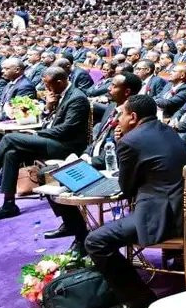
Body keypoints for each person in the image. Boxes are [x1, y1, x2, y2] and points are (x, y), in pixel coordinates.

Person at [84, 94, 186, 308]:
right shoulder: (167, 129)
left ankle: (137, 297)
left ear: (133, 117)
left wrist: (121, 143)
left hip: (164, 215)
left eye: (121, 114)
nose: (118, 119)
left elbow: (127, 189)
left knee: (95, 241)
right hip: (185, 205)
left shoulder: (130, 141)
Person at [0, 66, 90, 222]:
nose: (46, 88)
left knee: (9, 139)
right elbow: (50, 122)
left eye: (48, 85)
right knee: (12, 154)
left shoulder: (77, 98)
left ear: (60, 82)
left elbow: (66, 129)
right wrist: (48, 107)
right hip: (52, 140)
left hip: (66, 147)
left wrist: (36, 134)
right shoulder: (58, 94)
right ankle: (8, 205)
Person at [44, 75, 137, 253]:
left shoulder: (132, 114)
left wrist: (89, 161)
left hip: (109, 165)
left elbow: (122, 152)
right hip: (93, 157)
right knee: (47, 173)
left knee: (59, 176)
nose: (108, 88)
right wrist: (85, 155)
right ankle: (73, 225)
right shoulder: (112, 107)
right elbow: (97, 139)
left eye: (113, 86)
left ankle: (80, 237)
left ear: (126, 91)